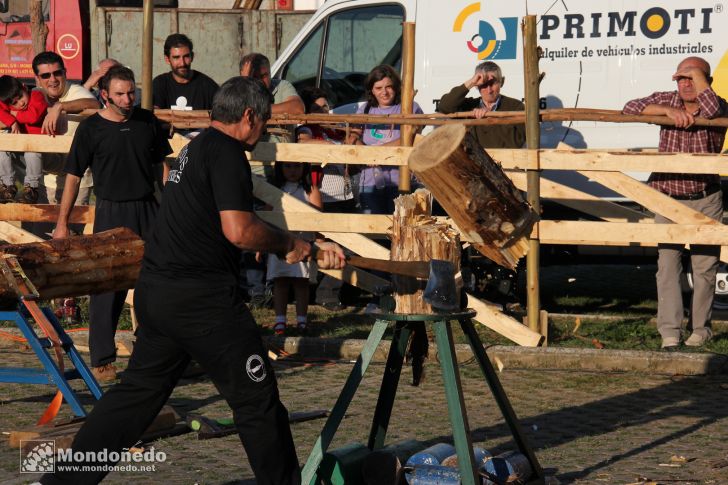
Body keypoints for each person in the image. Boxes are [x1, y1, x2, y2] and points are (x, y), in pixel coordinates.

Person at [40, 76, 346, 485]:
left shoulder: (197, 148)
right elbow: (238, 229)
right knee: (257, 402)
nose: (264, 130)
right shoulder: (227, 154)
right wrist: (290, 244)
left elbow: (218, 224)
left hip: (159, 293)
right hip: (202, 302)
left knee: (134, 399)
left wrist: (291, 242)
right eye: (266, 121)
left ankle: (61, 482)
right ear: (249, 115)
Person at [52, 66, 172, 382]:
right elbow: (74, 178)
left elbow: (162, 167)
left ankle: (153, 354)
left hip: (148, 210)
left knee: (156, 284)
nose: (127, 98)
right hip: (111, 213)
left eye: (131, 92)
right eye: (120, 93)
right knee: (107, 288)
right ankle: (103, 360)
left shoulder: (147, 121)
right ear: (104, 94)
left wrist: (172, 208)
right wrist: (62, 223)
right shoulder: (91, 129)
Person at [623, 56, 728, 350]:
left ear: (705, 81)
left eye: (691, 77)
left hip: (704, 198)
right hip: (668, 198)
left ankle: (700, 330)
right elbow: (629, 108)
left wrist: (698, 78)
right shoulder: (667, 99)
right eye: (681, 78)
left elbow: (711, 109)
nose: (684, 84)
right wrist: (667, 111)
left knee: (704, 268)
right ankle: (670, 331)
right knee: (667, 266)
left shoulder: (717, 105)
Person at [239, 53, 306, 308]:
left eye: (263, 75)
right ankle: (256, 291)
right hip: (250, 171)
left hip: (281, 171)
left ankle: (276, 288)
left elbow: (297, 108)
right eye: (253, 77)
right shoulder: (237, 90)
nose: (259, 80)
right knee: (248, 229)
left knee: (281, 229)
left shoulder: (282, 86)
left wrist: (259, 112)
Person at [296, 86, 357, 310]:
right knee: (326, 245)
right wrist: (332, 147)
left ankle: (334, 290)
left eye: (325, 107)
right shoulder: (309, 129)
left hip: (345, 195)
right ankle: (325, 292)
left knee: (348, 245)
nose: (323, 111)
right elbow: (302, 142)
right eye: (317, 108)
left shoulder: (336, 129)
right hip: (323, 196)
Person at [32, 51, 100, 212]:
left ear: (65, 73)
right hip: (46, 179)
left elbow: (94, 104)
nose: (53, 79)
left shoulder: (75, 91)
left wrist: (60, 106)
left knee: (71, 233)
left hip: (77, 179)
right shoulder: (36, 95)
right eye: (46, 75)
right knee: (43, 232)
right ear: (37, 79)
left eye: (57, 73)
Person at [351, 64, 423, 215]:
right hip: (370, 181)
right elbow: (353, 136)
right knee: (372, 229)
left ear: (396, 87)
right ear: (371, 90)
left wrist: (378, 154)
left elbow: (410, 136)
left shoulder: (409, 107)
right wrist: (366, 154)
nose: (384, 92)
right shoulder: (365, 110)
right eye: (378, 88)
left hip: (402, 181)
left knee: (401, 226)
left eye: (388, 87)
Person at [266, 161, 322, 334]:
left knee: (301, 282)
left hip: (304, 241)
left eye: (297, 166)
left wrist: (319, 240)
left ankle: (302, 321)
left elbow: (319, 218)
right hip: (279, 241)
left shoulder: (310, 190)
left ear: (304, 168)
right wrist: (263, 245)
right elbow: (266, 217)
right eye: (287, 166)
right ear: (280, 168)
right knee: (280, 281)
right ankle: (280, 320)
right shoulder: (274, 189)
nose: (292, 171)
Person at [438, 61, 525, 149]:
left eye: (493, 83)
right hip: (472, 162)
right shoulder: (469, 106)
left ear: (502, 82)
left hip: (506, 160)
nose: (489, 90)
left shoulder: (516, 106)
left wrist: (489, 119)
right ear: (476, 85)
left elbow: (517, 141)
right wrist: (471, 83)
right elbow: (445, 106)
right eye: (484, 84)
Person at [0, 75, 47, 203]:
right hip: (21, 147)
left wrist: (13, 114)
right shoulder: (8, 103)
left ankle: (31, 188)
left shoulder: (37, 95)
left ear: (24, 87)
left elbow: (33, 116)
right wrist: (11, 121)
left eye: (20, 97)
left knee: (32, 151)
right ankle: (7, 185)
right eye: (14, 103)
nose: (20, 103)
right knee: (2, 147)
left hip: (42, 147)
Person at [152, 33, 219, 113]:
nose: (182, 63)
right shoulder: (159, 84)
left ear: (192, 56)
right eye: (176, 57)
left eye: (186, 56)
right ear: (167, 59)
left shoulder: (208, 86)